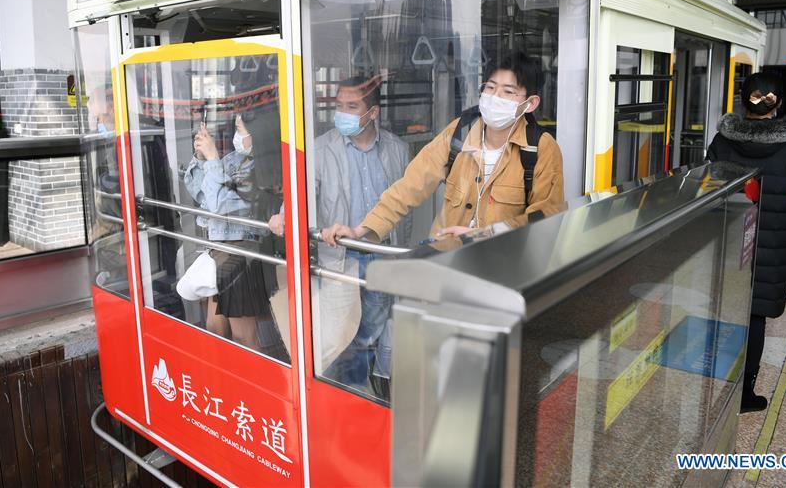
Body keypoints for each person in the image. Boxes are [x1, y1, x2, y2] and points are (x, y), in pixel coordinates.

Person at [322, 52, 564, 248]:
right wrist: (360, 230)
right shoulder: (460, 131)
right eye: (490, 87)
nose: (494, 97)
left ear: (530, 103)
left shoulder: (541, 148)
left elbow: (545, 217)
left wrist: (484, 235)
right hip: (449, 261)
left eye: (508, 92)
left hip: (501, 269)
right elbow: (410, 185)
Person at [269, 74, 412, 394]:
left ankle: (355, 394)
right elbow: (301, 194)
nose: (342, 113)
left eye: (352, 106)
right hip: (339, 258)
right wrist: (283, 216)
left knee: (370, 334)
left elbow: (405, 208)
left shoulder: (397, 149)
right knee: (339, 336)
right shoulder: (321, 150)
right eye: (339, 105)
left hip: (381, 257)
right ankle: (343, 395)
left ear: (373, 112)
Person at [706, 72, 786, 413]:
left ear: (743, 101)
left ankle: (709, 389)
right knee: (755, 318)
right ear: (777, 104)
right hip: (771, 244)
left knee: (722, 310)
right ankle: (746, 395)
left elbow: (708, 189)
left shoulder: (722, 141)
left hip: (726, 243)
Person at [184, 114, 270, 350]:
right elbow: (201, 194)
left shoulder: (263, 164)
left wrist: (212, 159)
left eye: (240, 129)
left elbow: (222, 206)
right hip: (220, 253)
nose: (236, 135)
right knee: (215, 329)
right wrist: (201, 158)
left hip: (242, 255)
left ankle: (252, 372)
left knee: (244, 337)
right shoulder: (234, 159)